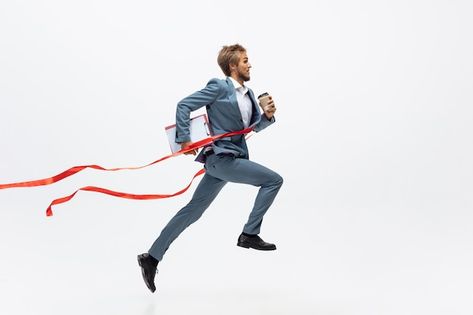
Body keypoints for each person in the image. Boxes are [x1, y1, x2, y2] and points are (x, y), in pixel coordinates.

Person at [137, 44, 283, 293]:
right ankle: (249, 234)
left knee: (193, 211)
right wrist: (184, 138)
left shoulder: (248, 95)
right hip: (221, 159)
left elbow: (250, 128)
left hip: (227, 160)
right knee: (273, 181)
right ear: (233, 65)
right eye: (245, 60)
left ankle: (151, 257)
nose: (250, 64)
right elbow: (184, 105)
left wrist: (267, 116)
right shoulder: (219, 86)